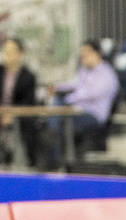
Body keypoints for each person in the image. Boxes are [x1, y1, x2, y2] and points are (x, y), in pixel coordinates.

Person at [44, 39, 119, 170]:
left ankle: (57, 161)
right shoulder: (84, 71)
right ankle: (57, 156)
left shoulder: (106, 74)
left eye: (86, 52)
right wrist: (57, 88)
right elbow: (74, 84)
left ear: (97, 54)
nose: (83, 56)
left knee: (61, 121)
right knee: (58, 103)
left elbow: (91, 93)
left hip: (93, 116)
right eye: (82, 53)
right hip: (76, 112)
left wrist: (69, 98)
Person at [0, 38, 37, 167]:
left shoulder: (28, 77)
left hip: (19, 118)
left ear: (20, 54)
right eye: (5, 52)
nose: (7, 56)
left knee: (26, 128)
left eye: (11, 52)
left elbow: (28, 102)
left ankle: (25, 163)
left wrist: (11, 115)